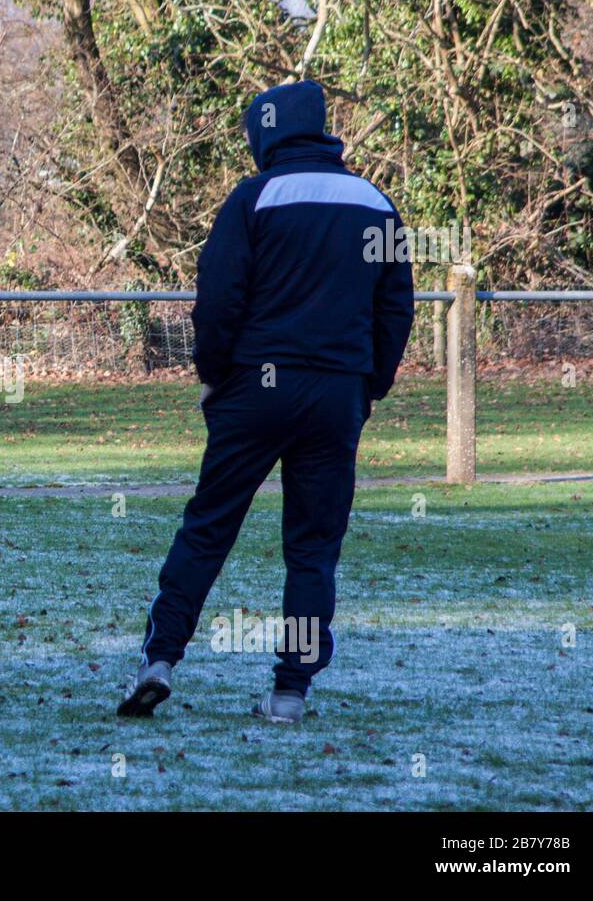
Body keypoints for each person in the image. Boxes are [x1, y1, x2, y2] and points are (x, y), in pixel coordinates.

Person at [118, 80, 414, 723]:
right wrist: (370, 385)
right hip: (337, 391)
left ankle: (160, 658)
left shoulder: (253, 198)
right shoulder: (376, 203)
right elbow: (396, 309)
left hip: (255, 387)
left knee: (208, 527)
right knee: (312, 547)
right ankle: (289, 690)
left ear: (268, 133)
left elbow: (219, 298)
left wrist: (212, 375)